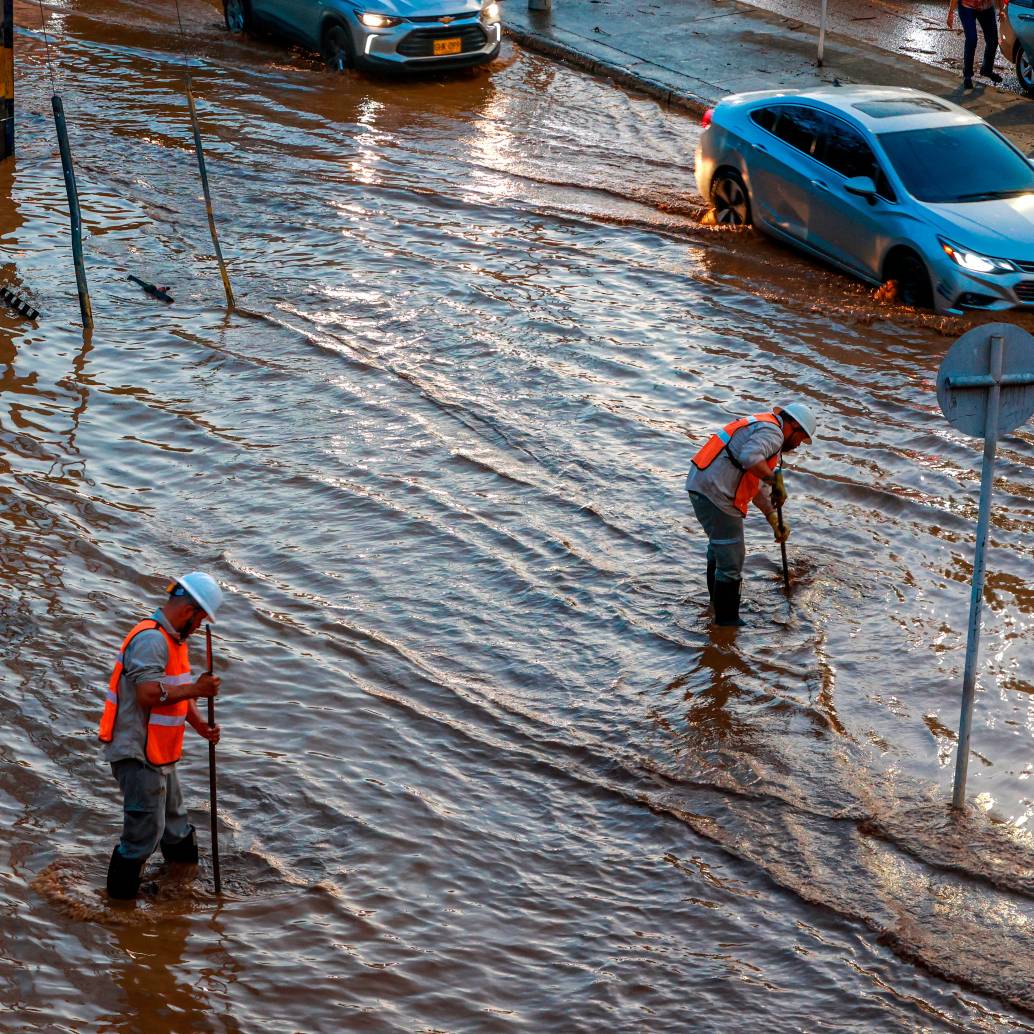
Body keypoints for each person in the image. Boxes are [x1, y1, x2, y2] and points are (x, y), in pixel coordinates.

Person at [99, 572, 223, 899]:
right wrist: (196, 687)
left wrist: (199, 725)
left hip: (160, 752)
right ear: (189, 612)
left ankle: (183, 887)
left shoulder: (174, 642)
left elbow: (178, 692)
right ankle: (118, 907)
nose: (198, 628)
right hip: (137, 753)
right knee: (143, 834)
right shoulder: (152, 640)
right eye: (200, 621)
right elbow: (148, 694)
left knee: (176, 825)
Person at [685, 403, 817, 627]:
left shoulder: (764, 426)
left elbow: (755, 481)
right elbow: (750, 458)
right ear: (794, 426)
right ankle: (726, 624)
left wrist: (773, 519)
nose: (797, 447)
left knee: (720, 550)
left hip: (704, 486)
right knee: (731, 559)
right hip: (716, 492)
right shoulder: (773, 433)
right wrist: (775, 481)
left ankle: (715, 608)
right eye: (801, 439)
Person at [947, 0, 1004, 90]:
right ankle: (967, 75)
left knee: (993, 40)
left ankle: (986, 70)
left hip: (986, 7)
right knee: (972, 39)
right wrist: (951, 12)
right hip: (967, 7)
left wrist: (1002, 10)